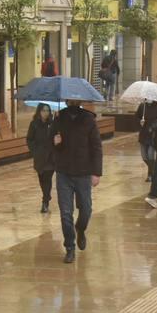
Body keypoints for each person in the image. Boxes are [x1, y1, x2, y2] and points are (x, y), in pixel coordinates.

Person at [53, 99, 103, 263]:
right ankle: (69, 247)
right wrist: (56, 143)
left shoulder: (89, 120)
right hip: (64, 172)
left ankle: (80, 229)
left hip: (83, 173)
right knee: (65, 213)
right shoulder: (59, 118)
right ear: (66, 101)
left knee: (86, 210)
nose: (72, 101)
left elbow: (96, 147)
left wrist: (96, 172)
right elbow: (51, 144)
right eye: (69, 99)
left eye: (75, 99)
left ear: (79, 100)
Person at [26, 103, 56, 214]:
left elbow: (58, 137)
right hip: (39, 157)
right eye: (43, 110)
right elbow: (29, 139)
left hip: (51, 157)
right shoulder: (34, 124)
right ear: (39, 111)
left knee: (47, 178)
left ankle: (45, 202)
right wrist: (34, 151)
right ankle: (47, 195)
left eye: (47, 110)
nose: (45, 113)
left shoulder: (53, 124)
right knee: (42, 178)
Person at [136, 98, 157, 183]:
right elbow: (136, 116)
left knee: (150, 155)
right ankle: (155, 170)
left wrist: (153, 127)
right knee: (144, 156)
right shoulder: (142, 106)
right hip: (143, 135)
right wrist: (140, 122)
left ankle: (150, 175)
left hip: (153, 135)